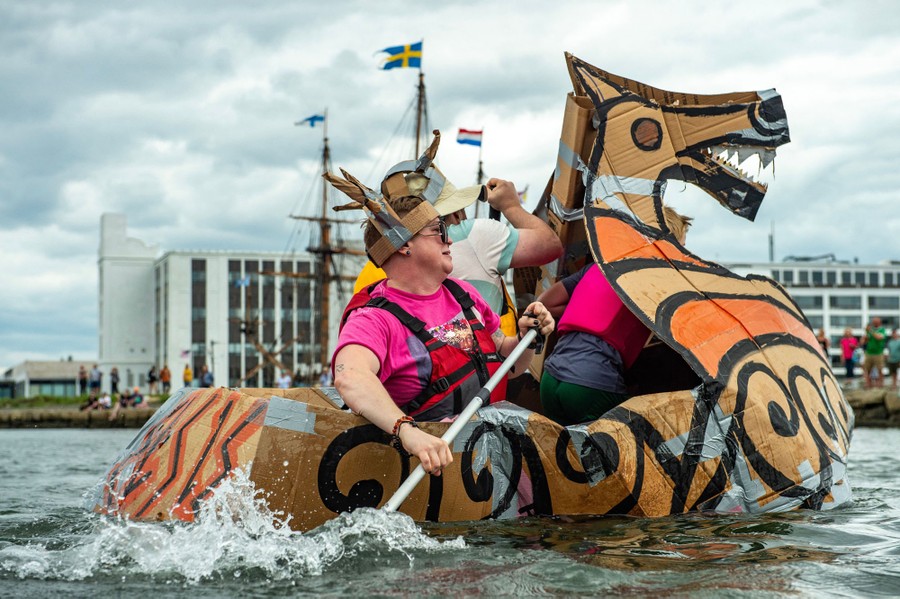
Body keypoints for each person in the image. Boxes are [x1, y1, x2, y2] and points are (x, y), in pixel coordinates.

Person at [326, 172, 554, 477]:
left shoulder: (464, 295)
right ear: (404, 244)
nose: (449, 239)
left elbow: (507, 361)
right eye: (438, 230)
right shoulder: (373, 320)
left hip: (487, 461)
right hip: (423, 469)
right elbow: (350, 377)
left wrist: (527, 337)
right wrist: (408, 433)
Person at [354, 130, 562, 336]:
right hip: (486, 365)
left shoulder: (379, 265)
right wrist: (510, 206)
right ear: (453, 211)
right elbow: (550, 246)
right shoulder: (474, 235)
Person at [537, 207, 692, 426]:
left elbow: (545, 303)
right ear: (667, 245)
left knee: (562, 454)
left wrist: (586, 307)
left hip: (550, 380)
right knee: (646, 430)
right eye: (682, 247)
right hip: (590, 385)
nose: (684, 255)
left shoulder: (599, 266)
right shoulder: (660, 282)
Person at [862, 317, 887, 388]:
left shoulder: (882, 330)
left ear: (879, 322)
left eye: (875, 321)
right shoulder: (870, 330)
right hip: (869, 352)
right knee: (867, 369)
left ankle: (880, 384)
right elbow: (865, 341)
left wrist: (870, 331)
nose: (873, 323)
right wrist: (866, 336)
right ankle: (868, 384)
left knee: (880, 369)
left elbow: (879, 337)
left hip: (878, 353)